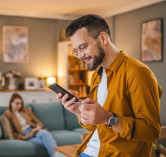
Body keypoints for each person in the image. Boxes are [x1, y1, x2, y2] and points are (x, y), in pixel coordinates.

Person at [56, 14, 162, 157]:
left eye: (83, 47)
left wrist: (109, 118)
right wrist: (77, 111)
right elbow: (94, 125)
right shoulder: (97, 75)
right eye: (77, 51)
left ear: (103, 38)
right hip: (88, 152)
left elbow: (151, 131)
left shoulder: (137, 73)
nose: (80, 55)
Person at [4, 93, 57, 157]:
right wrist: (23, 137)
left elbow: (37, 122)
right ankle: (56, 154)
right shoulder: (7, 114)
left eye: (21, 103)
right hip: (25, 134)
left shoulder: (26, 110)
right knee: (43, 142)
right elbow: (11, 131)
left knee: (44, 133)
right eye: (17, 103)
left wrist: (38, 127)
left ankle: (56, 155)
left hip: (33, 129)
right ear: (11, 103)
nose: (20, 106)